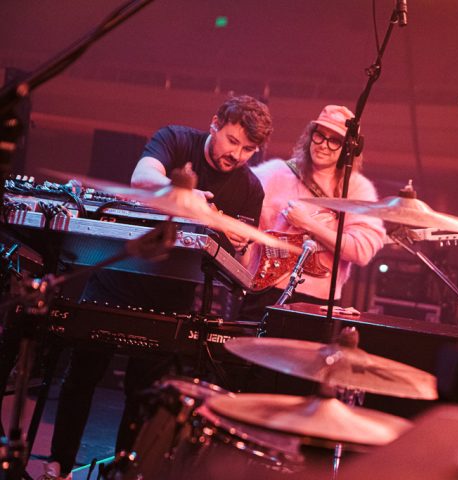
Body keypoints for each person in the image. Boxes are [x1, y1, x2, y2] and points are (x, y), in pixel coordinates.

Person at [38, 95, 273, 480]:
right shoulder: (176, 139)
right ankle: (58, 463)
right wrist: (188, 198)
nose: (239, 155)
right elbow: (142, 177)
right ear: (215, 123)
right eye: (233, 141)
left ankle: (123, 471)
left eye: (249, 149)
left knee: (143, 393)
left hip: (172, 297)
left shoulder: (249, 187)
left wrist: (242, 248)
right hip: (119, 277)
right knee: (82, 375)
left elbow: (240, 266)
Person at [238, 105, 385, 320]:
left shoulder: (357, 189)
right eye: (319, 136)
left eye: (334, 141)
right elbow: (238, 210)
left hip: (319, 305)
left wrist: (309, 224)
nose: (323, 145)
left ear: (347, 148)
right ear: (310, 136)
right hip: (263, 293)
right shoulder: (274, 173)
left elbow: (361, 252)